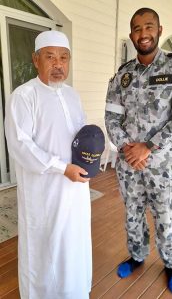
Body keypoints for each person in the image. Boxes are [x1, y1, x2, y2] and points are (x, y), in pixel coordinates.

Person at [105, 7, 172, 294]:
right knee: (132, 214)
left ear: (158, 29)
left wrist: (148, 147)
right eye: (137, 29)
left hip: (162, 165)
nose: (142, 34)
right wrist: (127, 148)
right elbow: (111, 117)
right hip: (129, 164)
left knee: (166, 218)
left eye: (148, 27)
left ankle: (171, 265)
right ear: (132, 35)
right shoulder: (123, 76)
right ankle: (137, 256)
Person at [5, 30, 92, 299]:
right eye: (50, 57)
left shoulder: (72, 95)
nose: (58, 64)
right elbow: (21, 145)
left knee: (73, 242)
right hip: (44, 190)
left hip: (75, 186)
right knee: (44, 245)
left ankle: (74, 291)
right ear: (35, 60)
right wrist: (60, 167)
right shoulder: (24, 96)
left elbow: (83, 136)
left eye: (64, 58)